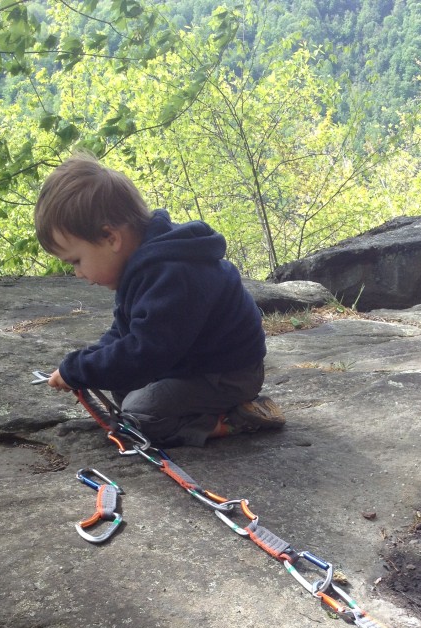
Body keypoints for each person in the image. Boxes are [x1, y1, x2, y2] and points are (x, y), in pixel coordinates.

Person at [33, 153, 285, 446]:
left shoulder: (172, 274)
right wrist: (83, 365)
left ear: (110, 238)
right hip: (188, 363)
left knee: (141, 416)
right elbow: (124, 332)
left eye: (76, 260)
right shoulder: (143, 267)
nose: (77, 273)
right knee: (122, 387)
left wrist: (80, 369)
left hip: (228, 374)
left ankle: (235, 418)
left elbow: (145, 353)